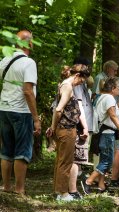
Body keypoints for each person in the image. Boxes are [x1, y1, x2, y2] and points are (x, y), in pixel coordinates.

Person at [0, 30, 41, 195]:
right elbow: (28, 91)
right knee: (22, 151)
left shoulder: (4, 60)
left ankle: (6, 187)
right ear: (29, 43)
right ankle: (19, 190)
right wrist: (36, 118)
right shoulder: (28, 63)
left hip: (4, 109)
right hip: (21, 111)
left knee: (6, 150)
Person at [46, 64, 89, 201]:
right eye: (82, 80)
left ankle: (58, 191)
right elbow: (58, 110)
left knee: (61, 161)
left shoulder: (63, 85)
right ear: (77, 75)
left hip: (64, 128)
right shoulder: (68, 86)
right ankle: (64, 194)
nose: (81, 83)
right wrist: (52, 127)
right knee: (66, 162)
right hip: (67, 129)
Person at [81, 77, 119, 194]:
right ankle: (88, 181)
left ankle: (101, 186)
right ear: (113, 88)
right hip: (106, 133)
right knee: (107, 161)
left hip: (103, 133)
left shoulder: (101, 97)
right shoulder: (109, 98)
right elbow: (113, 116)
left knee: (104, 159)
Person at [68, 57, 93, 200]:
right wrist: (84, 127)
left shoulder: (80, 82)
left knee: (78, 159)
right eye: (87, 67)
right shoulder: (76, 83)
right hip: (79, 126)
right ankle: (72, 190)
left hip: (81, 126)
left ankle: (72, 188)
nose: (88, 70)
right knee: (76, 159)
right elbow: (78, 106)